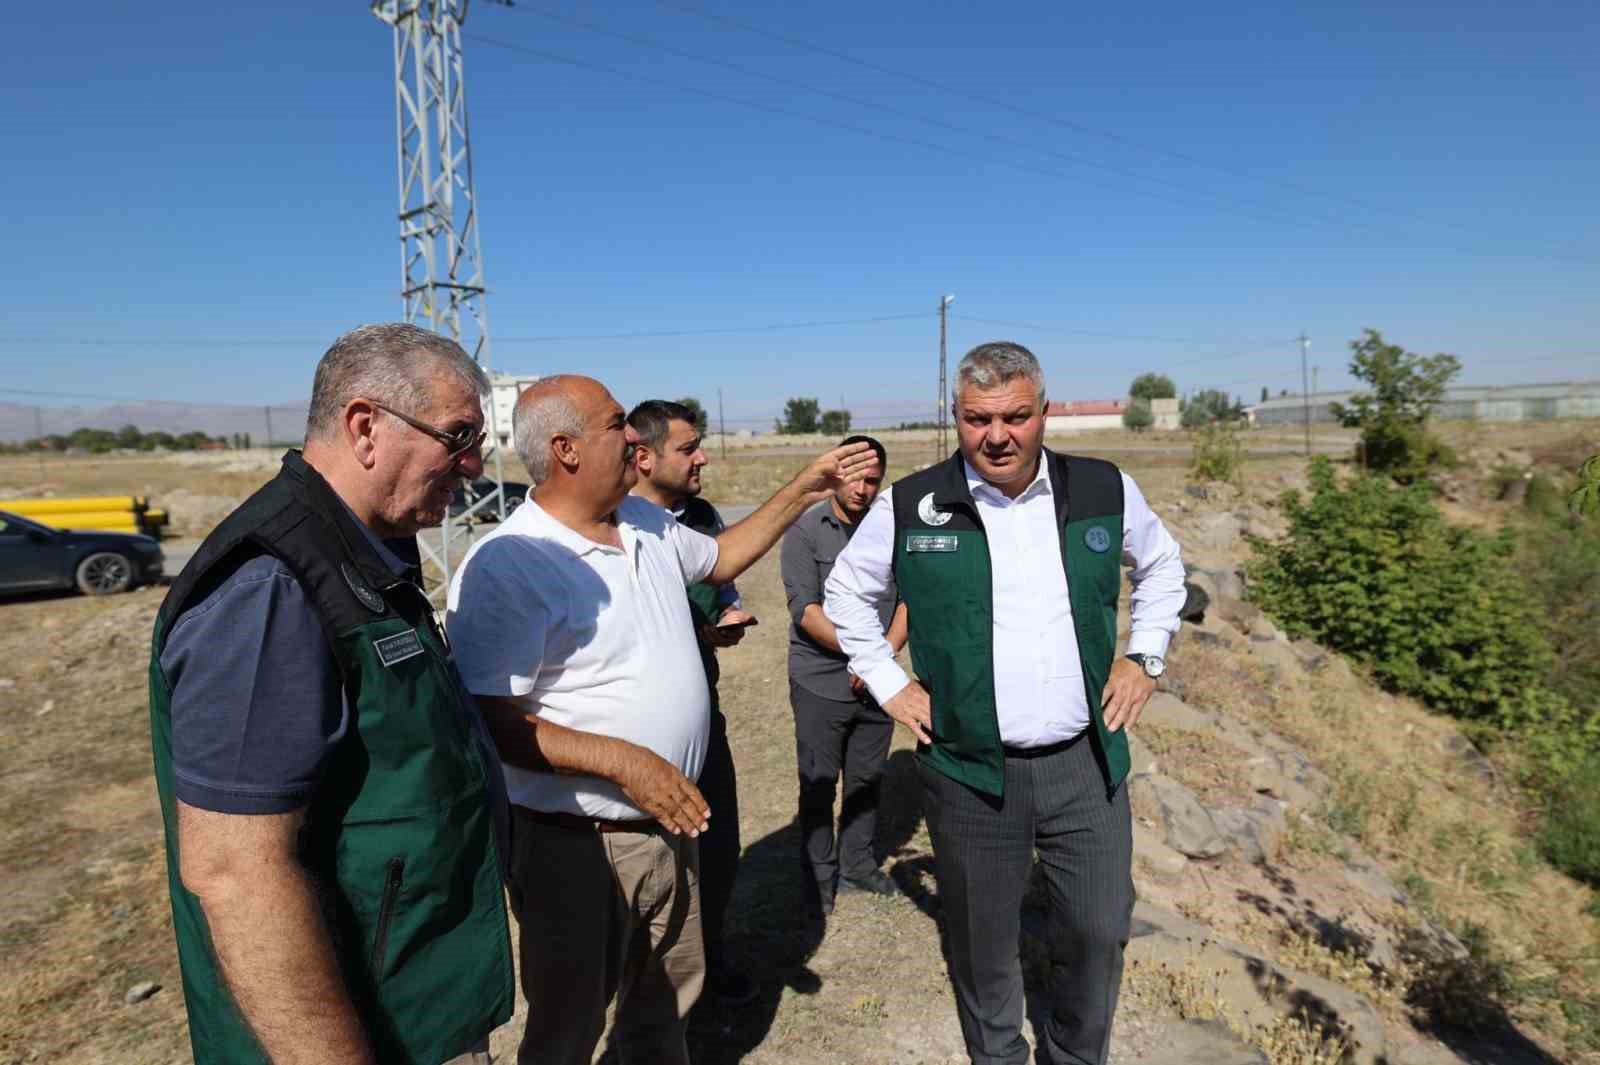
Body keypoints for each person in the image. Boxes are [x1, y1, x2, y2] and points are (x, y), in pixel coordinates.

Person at [445, 375, 876, 1065]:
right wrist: (625, 762)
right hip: (577, 843)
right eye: (618, 424)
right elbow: (491, 721)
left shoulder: (644, 521)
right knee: (569, 1026)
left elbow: (723, 556)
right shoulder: (509, 564)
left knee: (662, 1011)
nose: (635, 438)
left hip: (671, 827)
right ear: (566, 449)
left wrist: (805, 486)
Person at [148, 323, 514, 1065]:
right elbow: (236, 874)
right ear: (365, 426)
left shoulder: (368, 547)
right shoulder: (273, 587)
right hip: (360, 1035)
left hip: (418, 1006)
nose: (475, 464)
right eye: (458, 435)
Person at [825, 342, 1185, 1065]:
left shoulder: (1102, 488)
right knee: (983, 942)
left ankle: (1075, 1054)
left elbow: (1163, 564)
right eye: (977, 418)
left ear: (1044, 412)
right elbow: (846, 594)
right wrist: (891, 683)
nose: (998, 435)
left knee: (1095, 929)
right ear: (955, 417)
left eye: (1016, 416)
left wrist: (1145, 656)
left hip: (1085, 765)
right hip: (967, 772)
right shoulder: (913, 502)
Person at [626, 399, 757, 1006]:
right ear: (644, 457)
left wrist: (726, 614)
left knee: (718, 851)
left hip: (707, 721)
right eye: (688, 448)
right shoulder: (620, 527)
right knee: (659, 872)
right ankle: (654, 990)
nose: (702, 456)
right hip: (643, 746)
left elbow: (722, 578)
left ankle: (712, 961)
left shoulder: (701, 517)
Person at [779, 433, 908, 916]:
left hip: (876, 683)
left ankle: (856, 866)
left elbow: (907, 602)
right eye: (855, 479)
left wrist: (882, 656)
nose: (863, 490)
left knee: (866, 778)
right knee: (818, 781)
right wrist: (864, 656)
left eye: (873, 481)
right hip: (820, 680)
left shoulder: (892, 530)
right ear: (837, 475)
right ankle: (817, 874)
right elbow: (806, 611)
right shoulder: (806, 531)